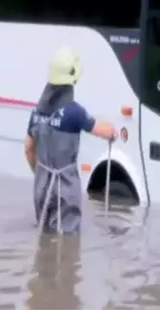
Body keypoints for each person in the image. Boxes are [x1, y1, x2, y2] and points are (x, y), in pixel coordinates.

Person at [24, 47, 117, 235]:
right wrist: (114, 131)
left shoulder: (37, 113)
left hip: (41, 187)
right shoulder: (74, 112)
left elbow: (28, 149)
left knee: (45, 238)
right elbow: (104, 131)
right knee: (67, 245)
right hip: (65, 190)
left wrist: (40, 175)